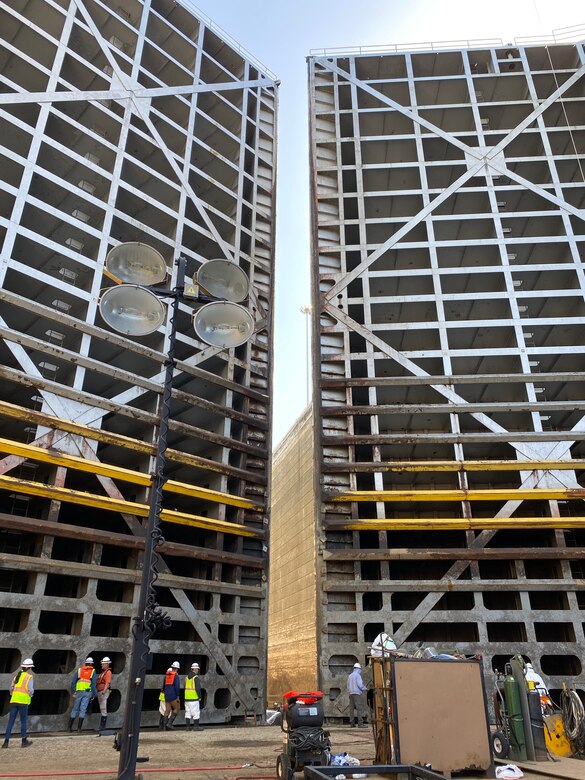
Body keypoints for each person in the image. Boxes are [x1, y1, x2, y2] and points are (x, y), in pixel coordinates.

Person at [2, 658, 35, 749]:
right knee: (23, 721)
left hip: (13, 701)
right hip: (23, 702)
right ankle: (24, 742)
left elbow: (11, 689)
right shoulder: (29, 677)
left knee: (10, 722)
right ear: (29, 668)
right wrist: (30, 695)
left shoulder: (16, 677)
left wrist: (14, 694)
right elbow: (30, 690)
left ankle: (6, 743)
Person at [69, 657, 97, 732]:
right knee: (83, 709)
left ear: (85, 663)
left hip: (78, 692)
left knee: (75, 709)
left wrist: (73, 692)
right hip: (87, 693)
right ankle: (79, 729)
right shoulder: (93, 671)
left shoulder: (79, 670)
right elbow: (94, 685)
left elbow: (73, 682)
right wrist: (94, 695)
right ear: (91, 664)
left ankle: (69, 728)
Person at [347, 662, 368, 728]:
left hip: (351, 694)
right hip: (357, 694)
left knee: (351, 709)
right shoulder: (357, 675)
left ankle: (352, 723)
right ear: (359, 669)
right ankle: (360, 724)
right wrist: (365, 688)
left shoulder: (350, 675)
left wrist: (350, 691)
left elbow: (347, 685)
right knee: (359, 708)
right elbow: (360, 685)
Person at [161, 661, 181, 730]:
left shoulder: (166, 675)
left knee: (167, 710)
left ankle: (164, 727)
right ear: (177, 669)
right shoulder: (176, 675)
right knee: (177, 708)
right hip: (173, 695)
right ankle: (169, 724)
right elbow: (177, 686)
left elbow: (163, 685)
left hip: (166, 694)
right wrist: (178, 695)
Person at [184, 662, 203, 731]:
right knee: (196, 713)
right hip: (194, 698)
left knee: (188, 713)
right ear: (195, 669)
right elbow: (198, 688)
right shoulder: (196, 678)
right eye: (197, 669)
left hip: (187, 699)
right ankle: (196, 727)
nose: (198, 670)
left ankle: (187, 727)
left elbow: (185, 687)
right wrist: (199, 696)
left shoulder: (186, 678)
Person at [96, 657, 112, 731]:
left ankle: (102, 727)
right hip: (101, 691)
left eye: (103, 664)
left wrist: (103, 692)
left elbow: (107, 683)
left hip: (103, 692)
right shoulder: (103, 672)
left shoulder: (108, 672)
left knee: (103, 708)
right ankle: (101, 726)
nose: (101, 665)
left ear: (107, 664)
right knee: (102, 708)